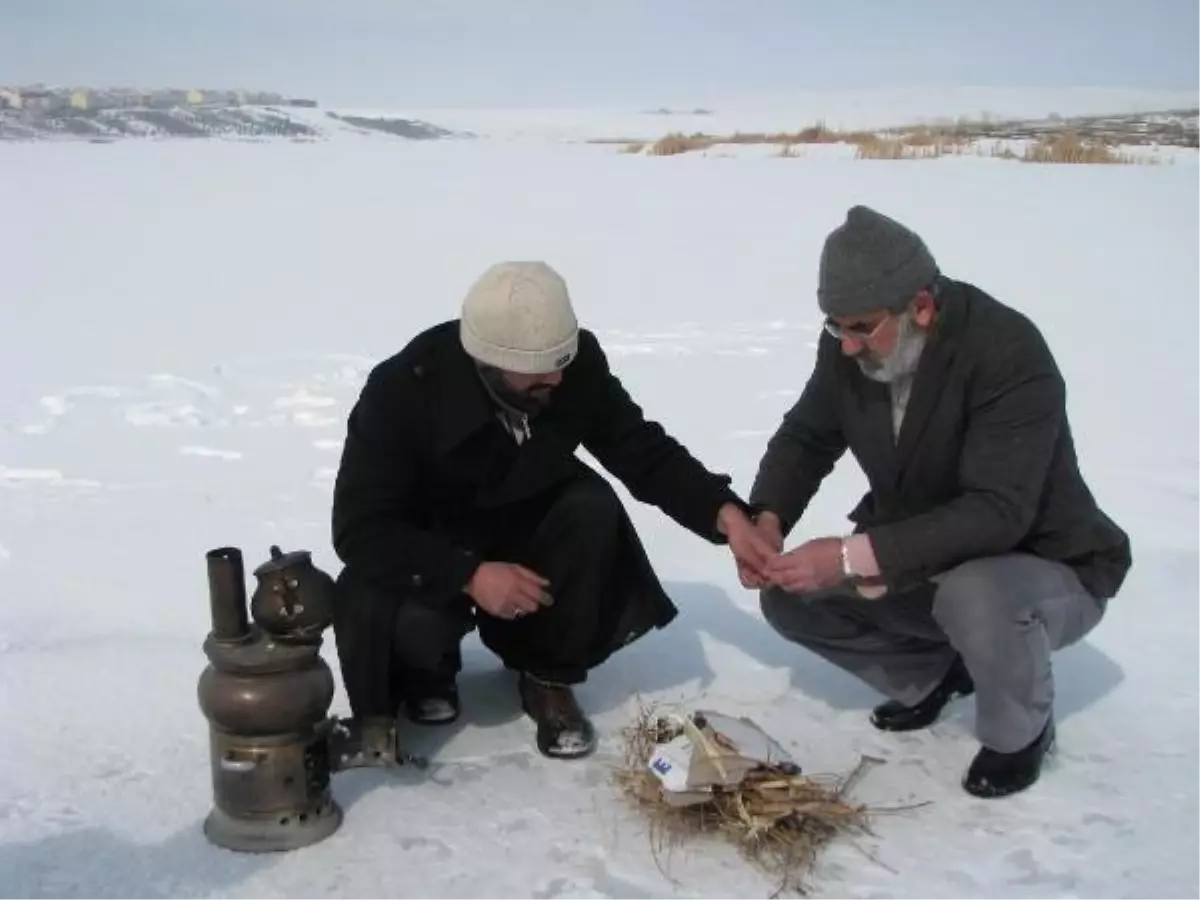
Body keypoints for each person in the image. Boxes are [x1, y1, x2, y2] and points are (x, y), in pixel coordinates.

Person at [739, 205, 1131, 798]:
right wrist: (767, 517)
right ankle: (933, 676)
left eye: (860, 328)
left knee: (975, 594)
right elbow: (808, 436)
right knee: (792, 597)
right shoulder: (855, 345)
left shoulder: (1007, 351)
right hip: (928, 557)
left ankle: (1019, 732)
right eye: (834, 327)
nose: (846, 347)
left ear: (920, 306)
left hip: (1046, 568)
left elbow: (999, 511)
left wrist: (849, 556)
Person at [329, 260, 774, 760]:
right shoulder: (403, 389)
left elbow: (639, 448)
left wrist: (726, 513)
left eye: (563, 359)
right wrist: (469, 574)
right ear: (489, 360)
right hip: (434, 541)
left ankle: (547, 675)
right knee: (399, 607)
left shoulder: (572, 367)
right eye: (541, 367)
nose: (557, 377)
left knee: (589, 507)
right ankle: (429, 674)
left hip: (521, 512)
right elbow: (360, 526)